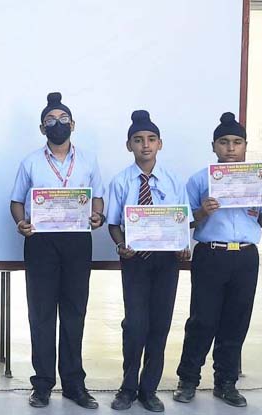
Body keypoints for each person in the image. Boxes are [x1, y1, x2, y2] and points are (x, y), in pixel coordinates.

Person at [9, 92, 105, 409]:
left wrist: (98, 215)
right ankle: (42, 385)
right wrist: (21, 222)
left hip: (77, 241)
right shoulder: (30, 162)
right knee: (41, 314)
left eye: (63, 119)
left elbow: (98, 198)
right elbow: (16, 201)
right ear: (42, 128)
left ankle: (74, 384)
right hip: (41, 242)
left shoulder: (88, 160)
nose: (57, 124)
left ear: (73, 124)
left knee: (75, 312)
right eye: (50, 120)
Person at [173, 112, 259, 408]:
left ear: (245, 145)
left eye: (237, 142)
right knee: (202, 319)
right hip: (211, 254)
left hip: (246, 256)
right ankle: (188, 380)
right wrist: (202, 211)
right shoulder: (200, 179)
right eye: (224, 142)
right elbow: (181, 221)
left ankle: (226, 383)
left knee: (236, 320)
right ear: (214, 146)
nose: (230, 148)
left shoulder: (257, 179)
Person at [106, 110, 190, 412]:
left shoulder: (173, 180)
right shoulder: (121, 181)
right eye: (138, 140)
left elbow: (183, 220)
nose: (145, 145)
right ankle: (128, 388)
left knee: (160, 324)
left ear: (160, 144)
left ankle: (149, 389)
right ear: (129, 145)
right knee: (135, 325)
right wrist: (120, 245)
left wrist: (184, 246)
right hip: (135, 262)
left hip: (167, 262)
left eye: (151, 139)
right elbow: (113, 223)